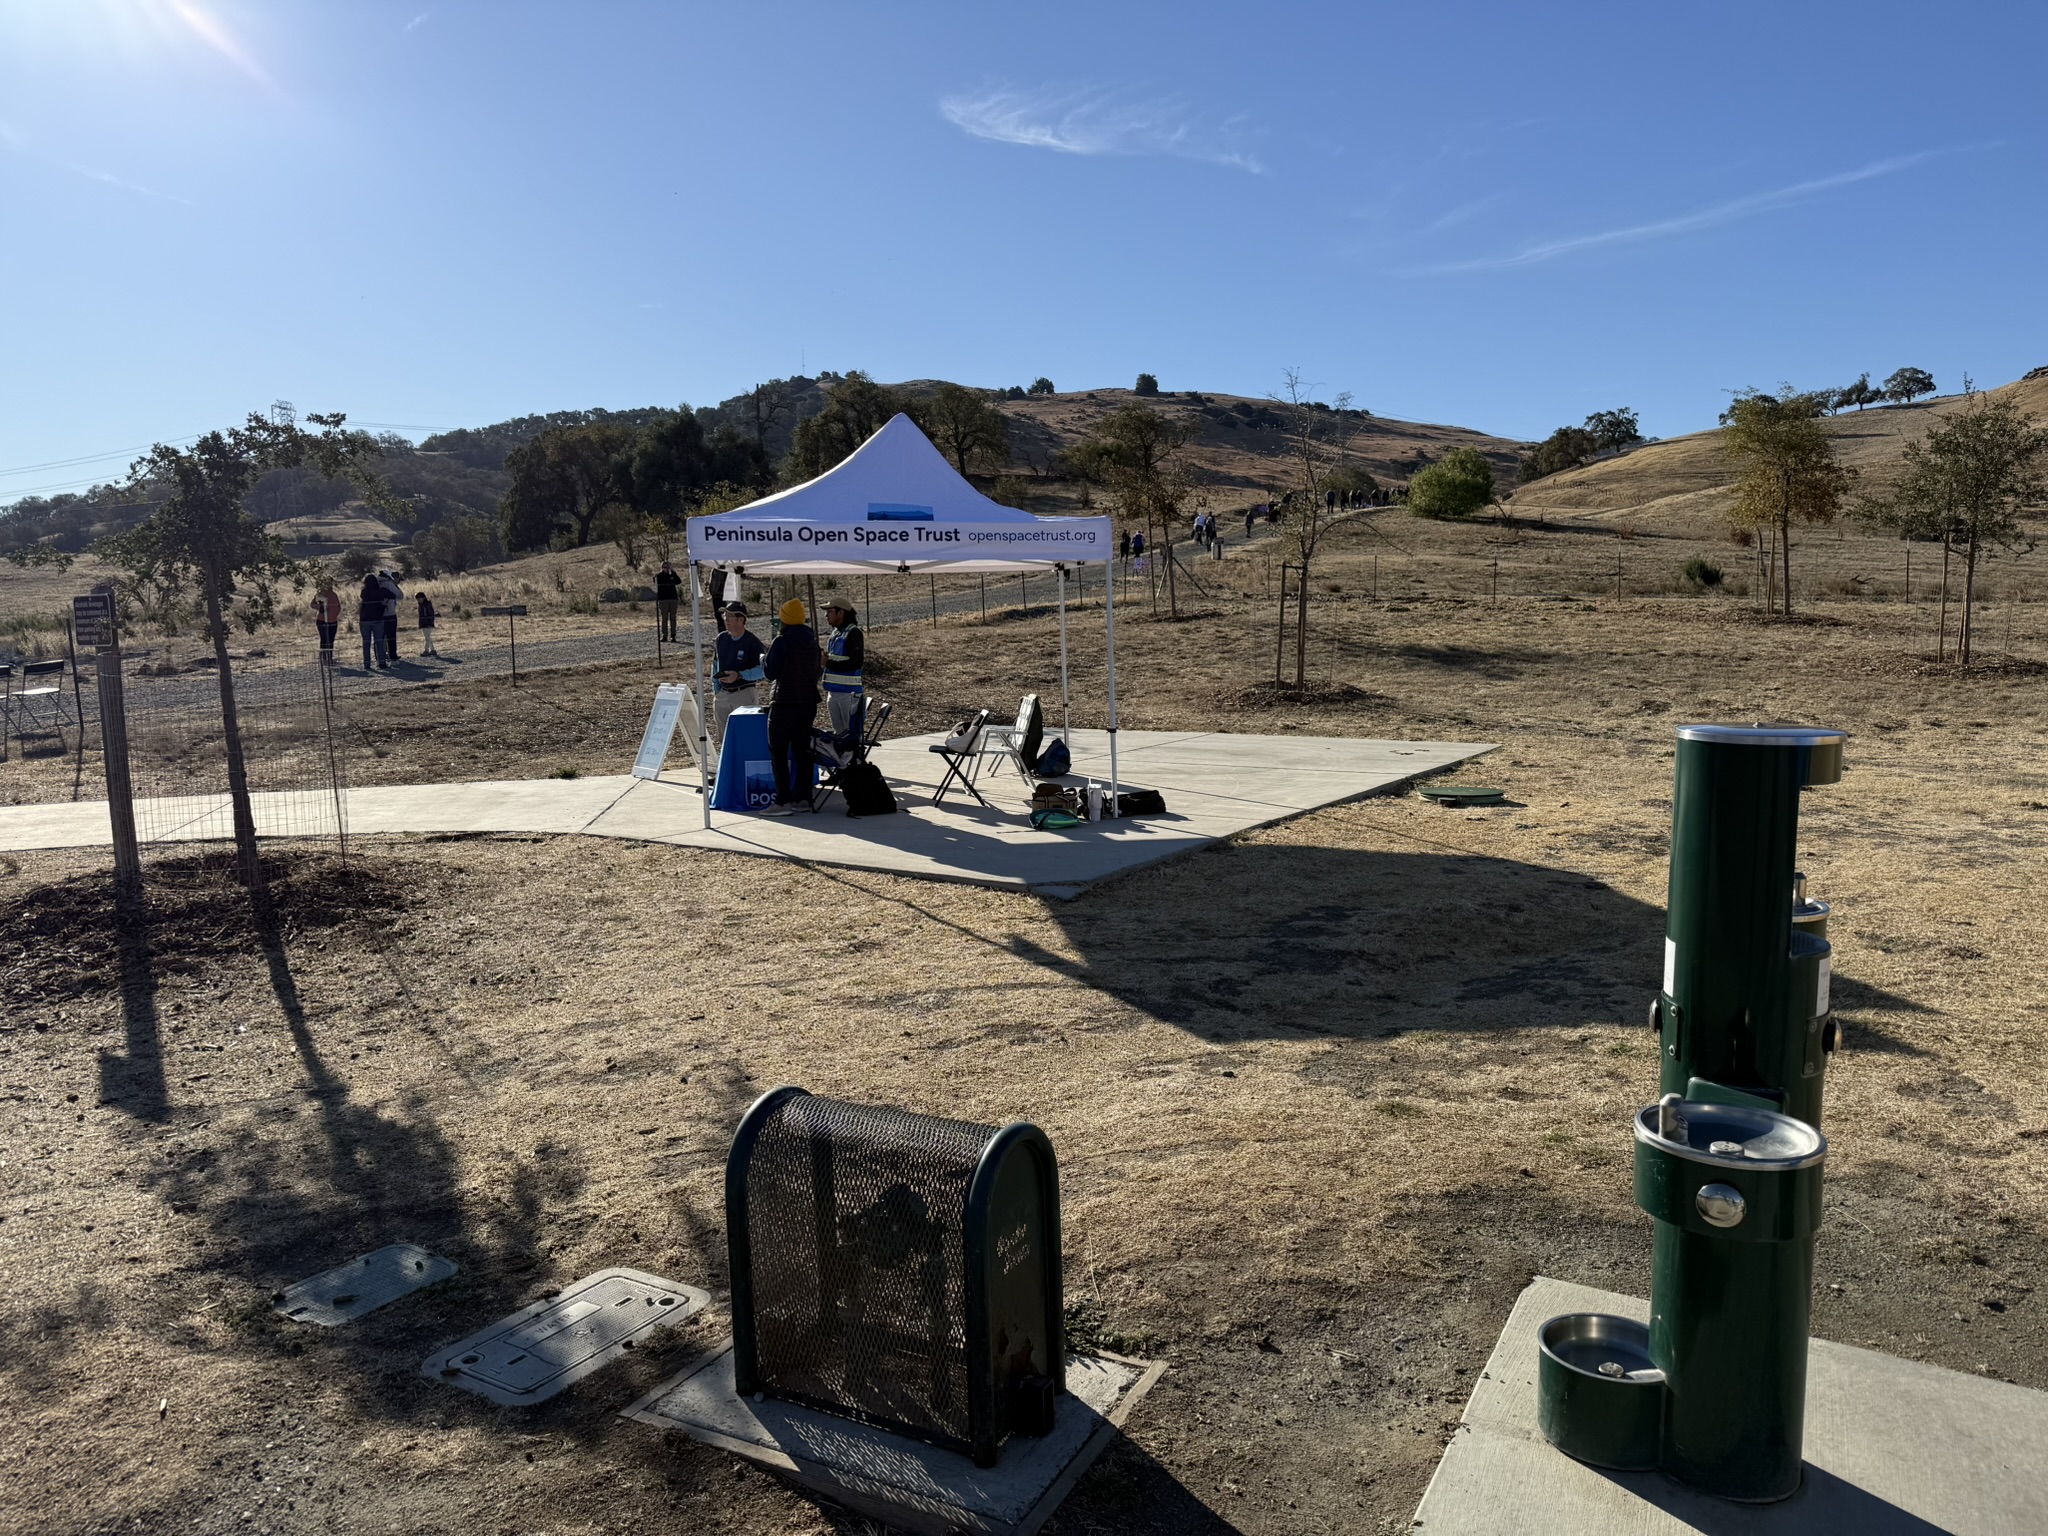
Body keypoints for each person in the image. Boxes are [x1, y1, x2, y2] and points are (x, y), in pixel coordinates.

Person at [759, 597, 820, 815]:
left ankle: (782, 801)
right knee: (802, 752)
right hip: (808, 702)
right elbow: (817, 673)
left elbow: (770, 673)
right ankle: (803, 798)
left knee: (779, 753)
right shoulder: (813, 641)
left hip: (784, 702)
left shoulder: (781, 641)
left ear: (784, 619)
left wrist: (764, 659)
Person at [711, 601, 766, 747]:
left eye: (730, 616)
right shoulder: (721, 639)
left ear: (741, 620)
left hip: (744, 694)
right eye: (725, 615)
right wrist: (716, 689)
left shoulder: (752, 642)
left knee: (745, 737)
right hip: (722, 695)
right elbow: (715, 664)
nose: (726, 619)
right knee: (723, 739)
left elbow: (763, 670)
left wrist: (739, 675)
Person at [820, 600, 865, 738]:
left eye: (830, 612)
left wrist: (828, 663)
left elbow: (856, 663)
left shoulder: (853, 633)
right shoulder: (835, 634)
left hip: (848, 694)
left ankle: (854, 759)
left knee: (851, 735)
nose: (826, 616)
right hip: (834, 692)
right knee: (839, 735)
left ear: (841, 613)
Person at [357, 571, 389, 670]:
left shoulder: (364, 592)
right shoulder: (379, 591)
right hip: (377, 619)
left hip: (365, 619)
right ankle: (381, 662)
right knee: (379, 641)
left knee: (366, 642)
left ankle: (367, 664)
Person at [312, 578, 341, 662]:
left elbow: (338, 606)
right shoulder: (321, 594)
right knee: (324, 639)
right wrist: (320, 607)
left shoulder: (334, 595)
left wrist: (335, 614)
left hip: (333, 621)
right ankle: (324, 658)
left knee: (331, 640)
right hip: (322, 621)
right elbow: (312, 604)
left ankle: (330, 657)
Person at [377, 569, 403, 661]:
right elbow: (400, 595)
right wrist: (395, 585)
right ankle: (392, 656)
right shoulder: (388, 583)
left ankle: (380, 656)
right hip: (389, 613)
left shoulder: (374, 583)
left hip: (377, 615)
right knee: (391, 637)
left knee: (379, 637)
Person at [655, 560, 682, 643]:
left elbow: (679, 581)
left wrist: (672, 572)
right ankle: (664, 635)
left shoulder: (672, 575)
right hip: (663, 599)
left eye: (667, 567)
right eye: (664, 567)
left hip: (673, 598)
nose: (666, 569)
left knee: (673, 617)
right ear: (662, 568)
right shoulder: (659, 576)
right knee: (664, 617)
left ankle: (673, 635)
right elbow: (655, 581)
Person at [415, 591, 439, 656]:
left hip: (427, 624)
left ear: (423, 598)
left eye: (419, 599)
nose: (418, 601)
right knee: (428, 637)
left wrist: (429, 623)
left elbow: (430, 615)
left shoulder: (426, 605)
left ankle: (426, 650)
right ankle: (432, 650)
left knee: (427, 638)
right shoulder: (422, 605)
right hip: (424, 624)